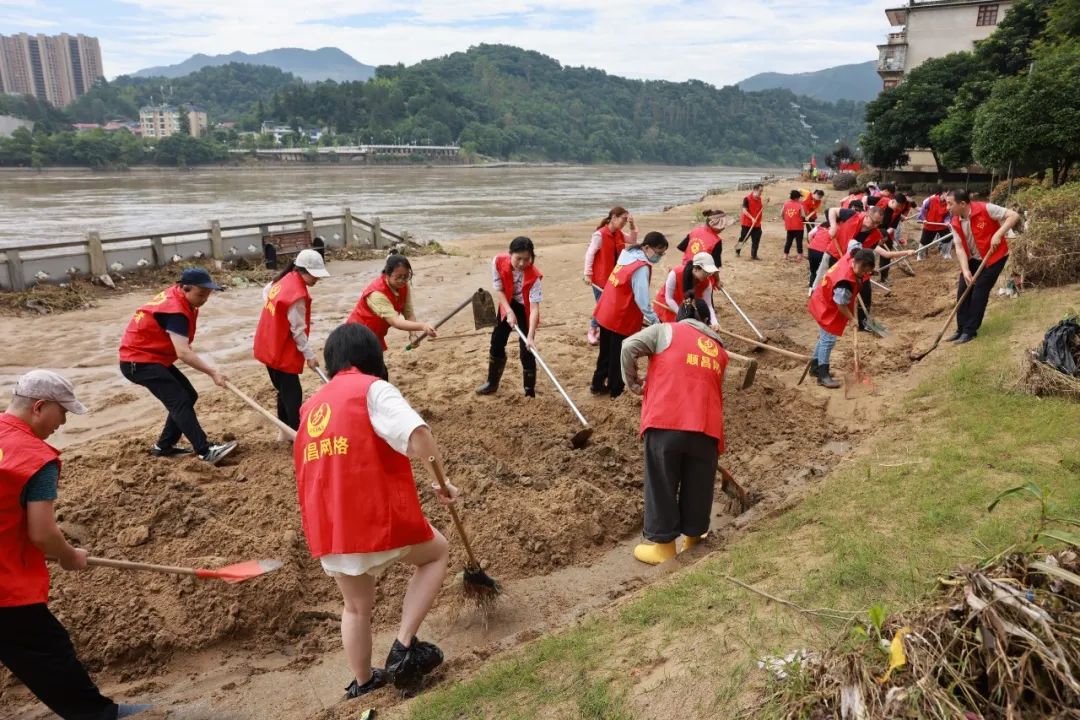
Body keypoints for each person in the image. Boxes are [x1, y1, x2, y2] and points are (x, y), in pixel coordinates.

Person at [294, 323, 458, 697]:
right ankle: (403, 646)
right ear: (373, 358)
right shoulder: (372, 389)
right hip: (374, 519)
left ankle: (364, 683)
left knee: (355, 608)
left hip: (330, 530)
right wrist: (441, 481)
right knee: (436, 553)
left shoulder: (310, 406)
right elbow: (418, 435)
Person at [1, 370, 150, 719]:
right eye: (62, 412)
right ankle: (99, 715)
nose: (64, 422)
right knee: (46, 650)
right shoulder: (36, 459)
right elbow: (42, 533)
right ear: (39, 407)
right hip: (6, 583)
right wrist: (68, 556)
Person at [620, 299, 727, 564]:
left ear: (680, 317)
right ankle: (693, 539)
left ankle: (664, 546)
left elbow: (628, 346)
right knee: (699, 482)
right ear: (704, 322)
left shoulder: (665, 330)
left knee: (662, 481)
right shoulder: (719, 349)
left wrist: (633, 382)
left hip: (666, 419)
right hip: (706, 426)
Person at [118, 268, 237, 465]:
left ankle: (164, 447)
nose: (204, 300)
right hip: (138, 361)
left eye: (207, 295)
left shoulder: (178, 297)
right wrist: (213, 372)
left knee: (189, 395)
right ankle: (205, 451)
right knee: (180, 400)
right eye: (200, 294)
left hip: (151, 357)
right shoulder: (176, 312)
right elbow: (183, 352)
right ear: (184, 288)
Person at [253, 249, 329, 440]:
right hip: (280, 349)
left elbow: (265, 292)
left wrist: (277, 315)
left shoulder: (282, 280)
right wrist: (310, 356)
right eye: (314, 275)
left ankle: (284, 432)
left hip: (267, 344)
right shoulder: (297, 295)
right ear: (303, 270)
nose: (317, 280)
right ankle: (297, 434)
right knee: (293, 394)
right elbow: (298, 331)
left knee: (283, 391)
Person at [592, 231, 669, 398]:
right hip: (620, 315)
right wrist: (656, 321)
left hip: (606, 310)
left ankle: (597, 385)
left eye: (662, 254)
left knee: (605, 352)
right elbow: (642, 300)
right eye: (658, 253)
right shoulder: (640, 267)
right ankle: (616, 391)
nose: (659, 257)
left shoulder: (628, 255)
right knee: (618, 356)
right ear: (647, 247)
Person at [945, 189, 1021, 344]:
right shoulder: (955, 221)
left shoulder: (986, 209)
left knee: (979, 292)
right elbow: (959, 247)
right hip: (972, 258)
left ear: (963, 204)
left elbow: (1013, 215)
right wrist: (965, 270)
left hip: (994, 257)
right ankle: (960, 329)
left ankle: (970, 331)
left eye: (950, 204)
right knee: (963, 291)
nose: (947, 207)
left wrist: (998, 234)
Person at [476, 236, 542, 397]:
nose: (522, 263)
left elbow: (534, 309)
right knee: (497, 341)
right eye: (518, 258)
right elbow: (499, 289)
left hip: (525, 308)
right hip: (507, 301)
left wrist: (531, 337)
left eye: (526, 259)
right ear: (510, 253)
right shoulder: (498, 261)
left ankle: (529, 391)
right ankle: (492, 383)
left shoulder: (534, 277)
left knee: (527, 349)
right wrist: (508, 311)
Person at [807, 249, 878, 388]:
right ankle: (823, 375)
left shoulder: (849, 257)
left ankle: (815, 367)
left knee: (823, 339)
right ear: (859, 264)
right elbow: (841, 305)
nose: (865, 274)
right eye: (864, 271)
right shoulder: (844, 283)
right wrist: (852, 319)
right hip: (827, 308)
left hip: (821, 299)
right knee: (828, 340)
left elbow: (857, 264)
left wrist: (868, 273)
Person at [348, 253, 438, 358]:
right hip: (357, 336)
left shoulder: (404, 286)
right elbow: (395, 322)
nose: (402, 281)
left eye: (406, 276)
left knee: (377, 371)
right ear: (387, 274)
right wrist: (423, 326)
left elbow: (408, 313)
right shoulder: (377, 293)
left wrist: (413, 335)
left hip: (376, 335)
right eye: (398, 277)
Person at [583, 207, 636, 345]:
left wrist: (632, 225)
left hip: (615, 278)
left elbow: (633, 240)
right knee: (602, 305)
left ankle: (601, 329)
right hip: (600, 279)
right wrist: (587, 274)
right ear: (613, 217)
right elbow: (590, 254)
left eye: (626, 220)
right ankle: (593, 329)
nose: (624, 222)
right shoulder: (599, 235)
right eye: (623, 219)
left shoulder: (619, 233)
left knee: (610, 306)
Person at [653, 252, 721, 328]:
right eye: (706, 272)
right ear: (696, 269)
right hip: (668, 307)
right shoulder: (676, 273)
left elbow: (708, 305)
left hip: (686, 310)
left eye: (710, 273)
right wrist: (682, 314)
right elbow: (669, 298)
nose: (708, 275)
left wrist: (714, 321)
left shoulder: (707, 283)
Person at [917, 188, 952, 260]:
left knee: (948, 238)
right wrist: (923, 219)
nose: (949, 196)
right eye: (948, 194)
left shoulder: (948, 203)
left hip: (942, 225)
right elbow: (922, 210)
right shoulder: (931, 200)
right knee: (924, 241)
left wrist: (947, 222)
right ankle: (920, 256)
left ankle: (946, 254)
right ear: (943, 193)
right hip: (930, 225)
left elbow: (947, 215)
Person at [735, 184, 765, 259]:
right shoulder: (747, 199)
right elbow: (744, 211)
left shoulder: (759, 199)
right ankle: (737, 250)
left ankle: (754, 255)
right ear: (755, 190)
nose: (761, 192)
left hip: (757, 224)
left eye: (762, 191)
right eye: (760, 190)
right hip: (747, 224)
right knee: (743, 238)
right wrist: (751, 218)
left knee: (756, 239)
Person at [781, 189, 808, 261]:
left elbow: (782, 214)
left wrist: (786, 220)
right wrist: (805, 219)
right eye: (799, 197)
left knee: (788, 241)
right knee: (799, 242)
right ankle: (799, 255)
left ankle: (785, 255)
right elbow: (803, 215)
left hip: (789, 226)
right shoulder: (800, 205)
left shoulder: (786, 204)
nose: (799, 198)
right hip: (798, 227)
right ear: (796, 198)